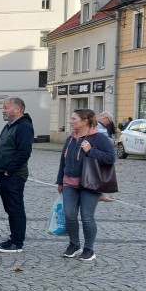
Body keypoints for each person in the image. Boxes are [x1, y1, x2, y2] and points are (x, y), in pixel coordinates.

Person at [56, 109, 115, 262]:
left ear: (84, 121)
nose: (71, 121)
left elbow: (110, 158)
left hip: (91, 184)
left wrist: (91, 150)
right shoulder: (70, 138)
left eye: (74, 119)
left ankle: (89, 248)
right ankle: (74, 244)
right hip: (69, 183)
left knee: (87, 217)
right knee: (69, 215)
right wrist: (60, 181)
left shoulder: (99, 138)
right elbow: (63, 161)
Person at [0, 97, 34, 254]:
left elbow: (24, 152)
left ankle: (17, 242)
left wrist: (10, 170)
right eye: (3, 107)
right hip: (2, 173)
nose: (3, 110)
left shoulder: (24, 126)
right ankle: (13, 238)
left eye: (6, 107)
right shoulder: (9, 126)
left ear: (18, 109)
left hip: (13, 175)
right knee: (10, 208)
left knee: (16, 208)